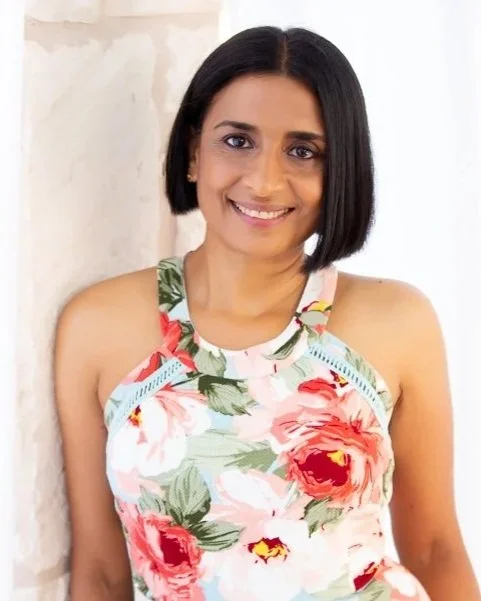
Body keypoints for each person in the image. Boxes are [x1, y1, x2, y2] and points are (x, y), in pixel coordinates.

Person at [54, 26, 480, 601]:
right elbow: (102, 573)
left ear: (340, 172)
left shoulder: (397, 322)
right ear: (192, 154)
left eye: (303, 151)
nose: (264, 180)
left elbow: (434, 549)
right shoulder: (98, 327)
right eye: (237, 141)